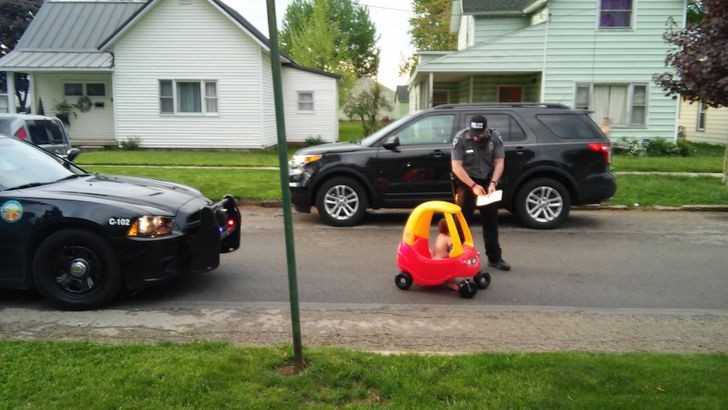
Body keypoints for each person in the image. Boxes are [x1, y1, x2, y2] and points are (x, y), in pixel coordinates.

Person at [450, 115, 511, 271]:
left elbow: (499, 162)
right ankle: (456, 256)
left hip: (487, 181)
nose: (476, 137)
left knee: (491, 221)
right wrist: (473, 185)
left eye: (479, 133)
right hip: (467, 181)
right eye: (473, 133)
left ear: (486, 129)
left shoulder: (495, 138)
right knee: (461, 221)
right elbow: (456, 166)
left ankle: (495, 258)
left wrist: (493, 183)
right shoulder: (461, 139)